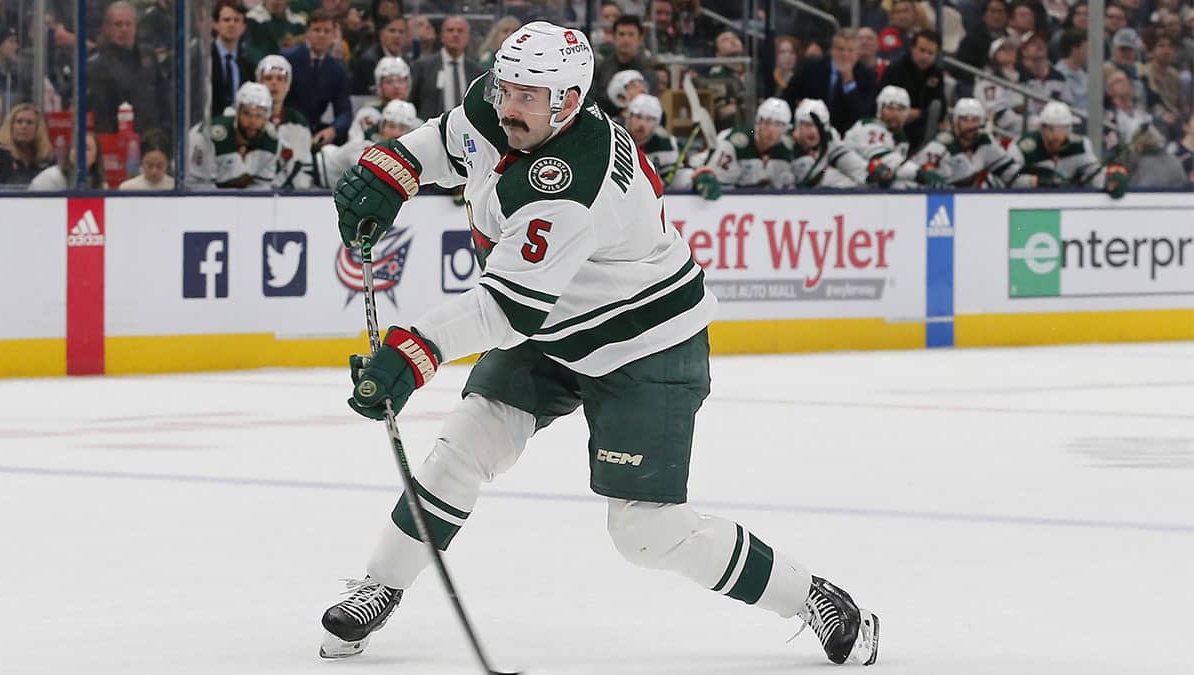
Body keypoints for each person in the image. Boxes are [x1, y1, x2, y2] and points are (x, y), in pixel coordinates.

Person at [317, 21, 880, 668]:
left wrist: (412, 352)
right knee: (462, 446)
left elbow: (505, 308)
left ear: (569, 100)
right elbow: (450, 140)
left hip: (643, 344)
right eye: (506, 87)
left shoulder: (571, 185)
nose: (508, 105)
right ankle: (381, 584)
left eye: (528, 96)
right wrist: (393, 171)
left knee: (646, 531)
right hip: (556, 326)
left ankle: (813, 595)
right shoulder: (505, 106)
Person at [87, 2, 172, 144]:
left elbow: (163, 97)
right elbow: (101, 118)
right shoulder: (98, 66)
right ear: (107, 28)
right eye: (118, 24)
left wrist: (167, 133)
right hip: (121, 145)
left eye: (128, 24)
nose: (124, 29)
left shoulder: (149, 56)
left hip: (155, 143)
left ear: (135, 26)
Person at [1008, 100, 1129, 197]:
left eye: (1063, 129)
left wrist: (1108, 182)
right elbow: (1007, 176)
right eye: (1052, 129)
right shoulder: (1021, 147)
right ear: (1042, 128)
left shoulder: (1081, 146)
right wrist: (1034, 181)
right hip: (1030, 202)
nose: (1057, 135)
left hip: (1069, 205)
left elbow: (1094, 173)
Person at [911, 97, 1031, 187]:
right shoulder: (941, 144)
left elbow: (1010, 173)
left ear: (981, 122)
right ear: (955, 122)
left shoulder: (985, 142)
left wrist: (1033, 180)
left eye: (975, 120)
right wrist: (930, 176)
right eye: (965, 120)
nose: (970, 125)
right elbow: (921, 171)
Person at [691, 97, 797, 197]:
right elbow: (721, 186)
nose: (771, 130)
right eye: (767, 123)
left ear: (785, 128)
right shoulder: (735, 143)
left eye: (778, 125)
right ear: (758, 123)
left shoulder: (787, 148)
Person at [844, 85, 945, 188]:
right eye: (890, 108)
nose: (895, 114)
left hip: (865, 187)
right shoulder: (869, 127)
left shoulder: (901, 138)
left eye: (901, 109)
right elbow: (885, 160)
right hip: (843, 185)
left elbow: (894, 172)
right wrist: (920, 173)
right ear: (880, 109)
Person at [782, 28, 877, 136]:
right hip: (809, 131)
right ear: (832, 50)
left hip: (847, 136)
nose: (845, 54)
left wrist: (849, 82)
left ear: (857, 53)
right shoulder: (811, 67)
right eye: (840, 49)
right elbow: (787, 98)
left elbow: (863, 115)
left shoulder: (866, 75)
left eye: (850, 50)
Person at [187, 82, 280, 189]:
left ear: (266, 118)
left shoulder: (271, 141)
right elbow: (197, 189)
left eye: (259, 115)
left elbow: (261, 188)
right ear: (236, 113)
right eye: (247, 113)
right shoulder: (208, 137)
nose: (253, 121)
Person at [283, 9, 353, 148]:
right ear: (307, 33)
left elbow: (344, 111)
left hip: (314, 132)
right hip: (284, 128)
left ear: (334, 35)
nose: (321, 35)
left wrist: (332, 130)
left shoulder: (337, 70)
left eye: (327, 31)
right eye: (316, 30)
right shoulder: (287, 59)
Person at [314, 98, 421, 187]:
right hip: (313, 169)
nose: (396, 133)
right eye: (391, 126)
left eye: (402, 128)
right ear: (381, 127)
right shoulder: (366, 146)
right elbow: (372, 176)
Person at [878, 29, 945, 148]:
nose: (925, 56)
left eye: (930, 53)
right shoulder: (895, 70)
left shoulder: (936, 74)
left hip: (923, 130)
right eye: (922, 50)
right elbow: (880, 101)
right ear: (913, 48)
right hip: (890, 129)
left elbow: (941, 108)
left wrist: (919, 113)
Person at [255, 54, 313, 189]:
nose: (274, 83)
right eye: (268, 78)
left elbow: (303, 169)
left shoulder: (299, 123)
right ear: (259, 82)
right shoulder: (246, 120)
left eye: (280, 79)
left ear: (288, 85)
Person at [408, 16, 480, 121]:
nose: (455, 34)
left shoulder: (476, 71)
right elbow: (413, 101)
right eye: (450, 30)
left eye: (460, 31)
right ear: (442, 36)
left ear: (467, 37)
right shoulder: (422, 66)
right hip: (430, 130)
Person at [787, 98, 868, 187]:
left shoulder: (830, 140)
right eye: (808, 125)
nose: (813, 131)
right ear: (797, 125)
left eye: (819, 126)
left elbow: (859, 169)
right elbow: (811, 180)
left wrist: (871, 176)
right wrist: (825, 171)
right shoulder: (787, 142)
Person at [593, 15, 659, 115]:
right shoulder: (602, 69)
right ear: (614, 38)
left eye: (631, 35)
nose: (626, 40)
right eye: (621, 34)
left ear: (640, 39)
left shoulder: (649, 71)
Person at [350, 56, 411, 143]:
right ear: (379, 86)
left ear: (408, 85)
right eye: (389, 81)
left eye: (401, 81)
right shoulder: (367, 115)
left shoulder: (415, 120)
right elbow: (354, 147)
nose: (396, 86)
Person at [624, 93, 680, 184]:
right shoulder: (614, 135)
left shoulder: (666, 144)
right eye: (638, 117)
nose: (642, 124)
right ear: (629, 117)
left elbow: (676, 180)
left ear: (656, 124)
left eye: (649, 119)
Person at [210, 0, 254, 117]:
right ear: (215, 24)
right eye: (226, 20)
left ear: (244, 26)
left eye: (236, 20)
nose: (231, 24)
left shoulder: (247, 65)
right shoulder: (204, 59)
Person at [0, 102, 52, 185]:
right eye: (19, 121)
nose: (24, 126)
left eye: (29, 122)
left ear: (38, 129)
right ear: (11, 126)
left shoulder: (47, 158)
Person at [351, 16, 411, 96]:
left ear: (407, 37)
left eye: (401, 32)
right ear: (381, 34)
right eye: (392, 31)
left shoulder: (408, 61)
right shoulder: (368, 62)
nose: (397, 36)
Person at [28, 131, 104, 190]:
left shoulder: (100, 183)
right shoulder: (50, 178)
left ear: (96, 156)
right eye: (75, 147)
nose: (80, 151)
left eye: (87, 148)